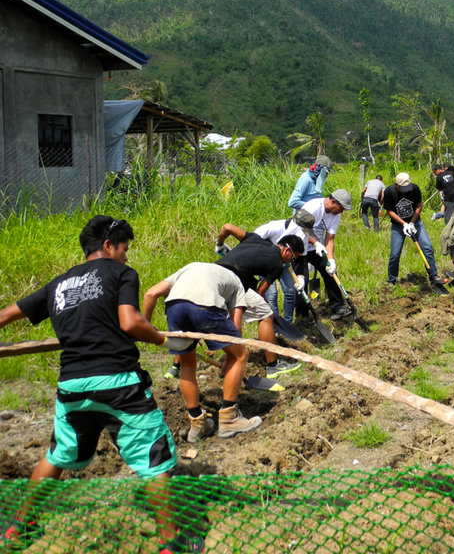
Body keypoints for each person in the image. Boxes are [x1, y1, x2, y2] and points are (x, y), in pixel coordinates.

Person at [0, 216, 197, 554]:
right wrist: (160, 338)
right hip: (118, 382)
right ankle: (170, 542)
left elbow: (4, 316)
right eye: (125, 249)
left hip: (72, 386)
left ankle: (19, 527)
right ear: (109, 246)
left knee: (58, 454)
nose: (126, 256)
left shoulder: (58, 284)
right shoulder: (120, 273)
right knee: (153, 457)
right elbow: (130, 321)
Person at [143, 262, 265, 442]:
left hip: (175, 308)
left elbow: (150, 294)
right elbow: (235, 330)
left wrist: (144, 326)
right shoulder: (237, 283)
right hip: (205, 306)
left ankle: (197, 424)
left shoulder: (188, 268)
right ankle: (230, 418)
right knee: (241, 355)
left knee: (187, 363)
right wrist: (231, 357)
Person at [213, 225, 305, 377]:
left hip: (213, 273)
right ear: (287, 251)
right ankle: (273, 366)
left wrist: (220, 244)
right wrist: (269, 308)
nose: (291, 262)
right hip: (233, 282)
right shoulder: (277, 264)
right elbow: (260, 292)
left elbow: (227, 227)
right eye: (293, 258)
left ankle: (176, 366)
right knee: (266, 315)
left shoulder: (255, 238)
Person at [382, 172, 447, 286]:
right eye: (403, 187)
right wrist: (404, 224)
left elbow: (419, 205)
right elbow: (389, 211)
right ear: (397, 185)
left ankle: (434, 276)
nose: (406, 190)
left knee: (427, 247)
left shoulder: (414, 188)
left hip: (416, 223)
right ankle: (391, 280)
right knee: (395, 254)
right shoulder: (389, 192)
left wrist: (411, 223)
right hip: (398, 226)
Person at [297, 189, 354, 320]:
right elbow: (300, 229)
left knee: (330, 273)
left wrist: (331, 260)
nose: (342, 212)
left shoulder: (335, 214)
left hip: (317, 248)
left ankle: (337, 306)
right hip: (300, 247)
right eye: (342, 208)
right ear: (334, 202)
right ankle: (303, 314)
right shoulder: (313, 207)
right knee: (302, 280)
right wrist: (316, 243)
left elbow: (330, 238)